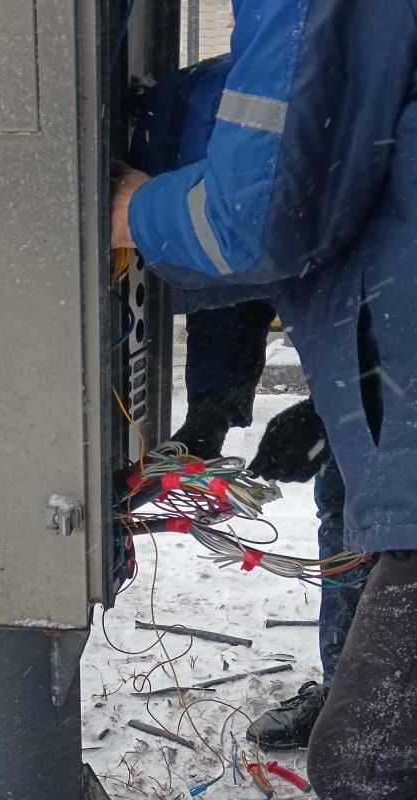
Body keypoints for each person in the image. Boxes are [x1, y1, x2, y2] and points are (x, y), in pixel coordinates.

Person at [112, 0, 417, 800]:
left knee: (370, 752)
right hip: (389, 369)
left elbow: (258, 215)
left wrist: (127, 209)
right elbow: (280, 198)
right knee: (373, 651)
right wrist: (219, 413)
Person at [130, 57, 367, 750]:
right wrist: (212, 406)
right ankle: (356, 697)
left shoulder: (354, 141)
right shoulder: (215, 129)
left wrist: (339, 406)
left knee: (384, 511)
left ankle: (380, 717)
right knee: (349, 504)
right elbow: (234, 273)